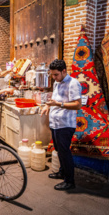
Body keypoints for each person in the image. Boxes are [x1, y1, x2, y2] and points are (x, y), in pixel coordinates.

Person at [41, 59, 82, 191]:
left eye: (56, 75)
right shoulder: (57, 82)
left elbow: (78, 104)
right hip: (55, 123)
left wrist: (58, 104)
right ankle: (62, 172)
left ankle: (69, 181)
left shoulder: (73, 83)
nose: (54, 78)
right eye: (52, 75)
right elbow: (55, 97)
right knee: (59, 150)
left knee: (65, 152)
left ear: (64, 71)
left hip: (65, 124)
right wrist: (47, 106)